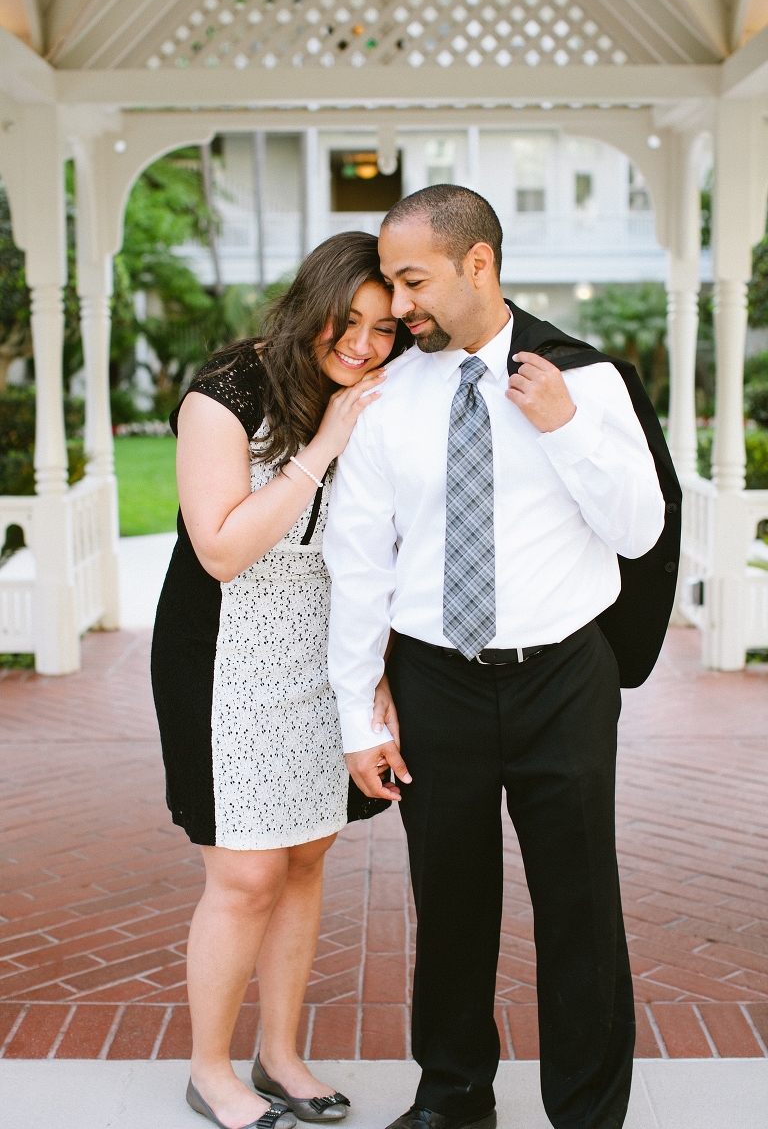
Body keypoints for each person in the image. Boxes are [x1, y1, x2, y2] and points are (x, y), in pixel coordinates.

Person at [324, 187, 667, 1129]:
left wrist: (564, 425)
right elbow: (359, 560)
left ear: (479, 265)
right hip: (437, 680)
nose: (398, 306)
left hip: (563, 675)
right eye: (392, 284)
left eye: (412, 280)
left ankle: (589, 1112)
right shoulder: (389, 396)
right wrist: (358, 713)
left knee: (580, 903)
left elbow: (641, 531)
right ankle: (454, 1097)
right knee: (450, 903)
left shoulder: (585, 382)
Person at [151, 232, 404, 1129]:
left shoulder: (378, 389)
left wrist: (374, 673)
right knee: (246, 874)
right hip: (224, 654)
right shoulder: (227, 391)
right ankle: (209, 1068)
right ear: (314, 300)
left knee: (303, 857)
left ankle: (282, 1054)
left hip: (322, 652)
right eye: (351, 319)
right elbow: (219, 549)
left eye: (384, 327)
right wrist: (324, 444)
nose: (365, 344)